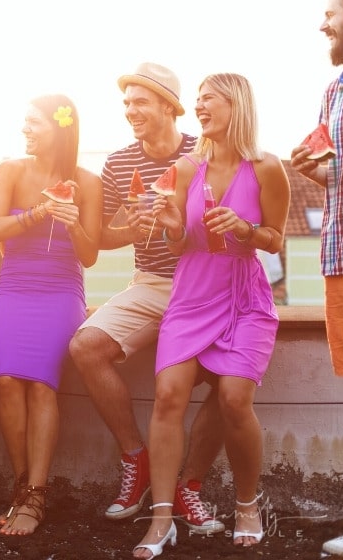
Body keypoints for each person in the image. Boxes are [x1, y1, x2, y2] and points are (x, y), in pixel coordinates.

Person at [132, 73, 289, 558]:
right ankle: (162, 516)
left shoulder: (266, 168)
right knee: (168, 395)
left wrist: (245, 228)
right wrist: (172, 227)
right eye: (197, 100)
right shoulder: (184, 168)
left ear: (236, 104)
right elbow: (177, 241)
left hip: (244, 297)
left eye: (209, 99)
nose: (199, 107)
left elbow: (276, 240)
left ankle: (247, 504)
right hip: (192, 293)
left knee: (235, 399)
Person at [67, 62, 226, 535]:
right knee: (85, 347)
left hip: (208, 285)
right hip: (152, 282)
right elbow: (101, 238)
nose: (130, 111)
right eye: (126, 103)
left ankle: (188, 486)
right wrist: (127, 229)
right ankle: (135, 459)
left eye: (140, 102)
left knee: (230, 379)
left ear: (169, 107)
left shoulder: (208, 150)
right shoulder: (118, 164)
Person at [0, 94, 102, 536]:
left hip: (60, 292)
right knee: (8, 381)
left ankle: (37, 492)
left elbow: (89, 256)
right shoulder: (10, 171)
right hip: (14, 288)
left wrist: (72, 223)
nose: (26, 129)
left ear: (60, 127)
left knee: (42, 386)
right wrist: (38, 212)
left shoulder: (87, 182)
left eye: (34, 122)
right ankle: (22, 487)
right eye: (25, 122)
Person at [290, 0, 343, 558]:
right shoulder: (334, 92)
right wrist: (317, 171)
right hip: (341, 254)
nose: (323, 24)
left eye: (330, 13)